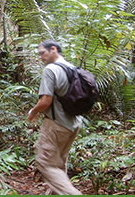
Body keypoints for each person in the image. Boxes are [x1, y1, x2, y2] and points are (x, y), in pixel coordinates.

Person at [27, 40, 82, 195]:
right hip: (74, 124)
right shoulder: (72, 68)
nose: (40, 57)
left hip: (56, 125)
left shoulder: (50, 69)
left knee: (45, 164)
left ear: (53, 49)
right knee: (58, 164)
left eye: (42, 53)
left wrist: (33, 111)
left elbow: (46, 101)